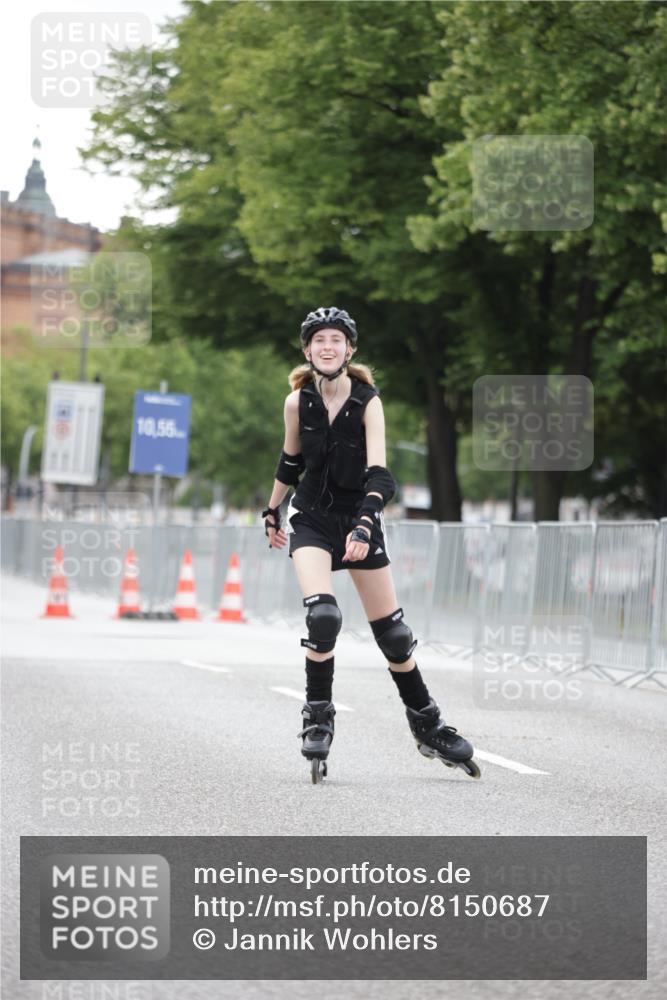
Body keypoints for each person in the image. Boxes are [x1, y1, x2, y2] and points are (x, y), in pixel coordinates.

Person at [261, 307, 479, 782]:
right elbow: (290, 462)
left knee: (395, 636)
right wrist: (273, 509)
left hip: (358, 517)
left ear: (349, 349)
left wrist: (364, 525)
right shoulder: (297, 402)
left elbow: (379, 474)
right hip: (313, 518)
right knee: (323, 617)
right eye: (319, 339)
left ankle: (427, 724)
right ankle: (317, 719)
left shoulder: (368, 401)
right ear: (307, 350)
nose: (327, 346)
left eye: (336, 339)